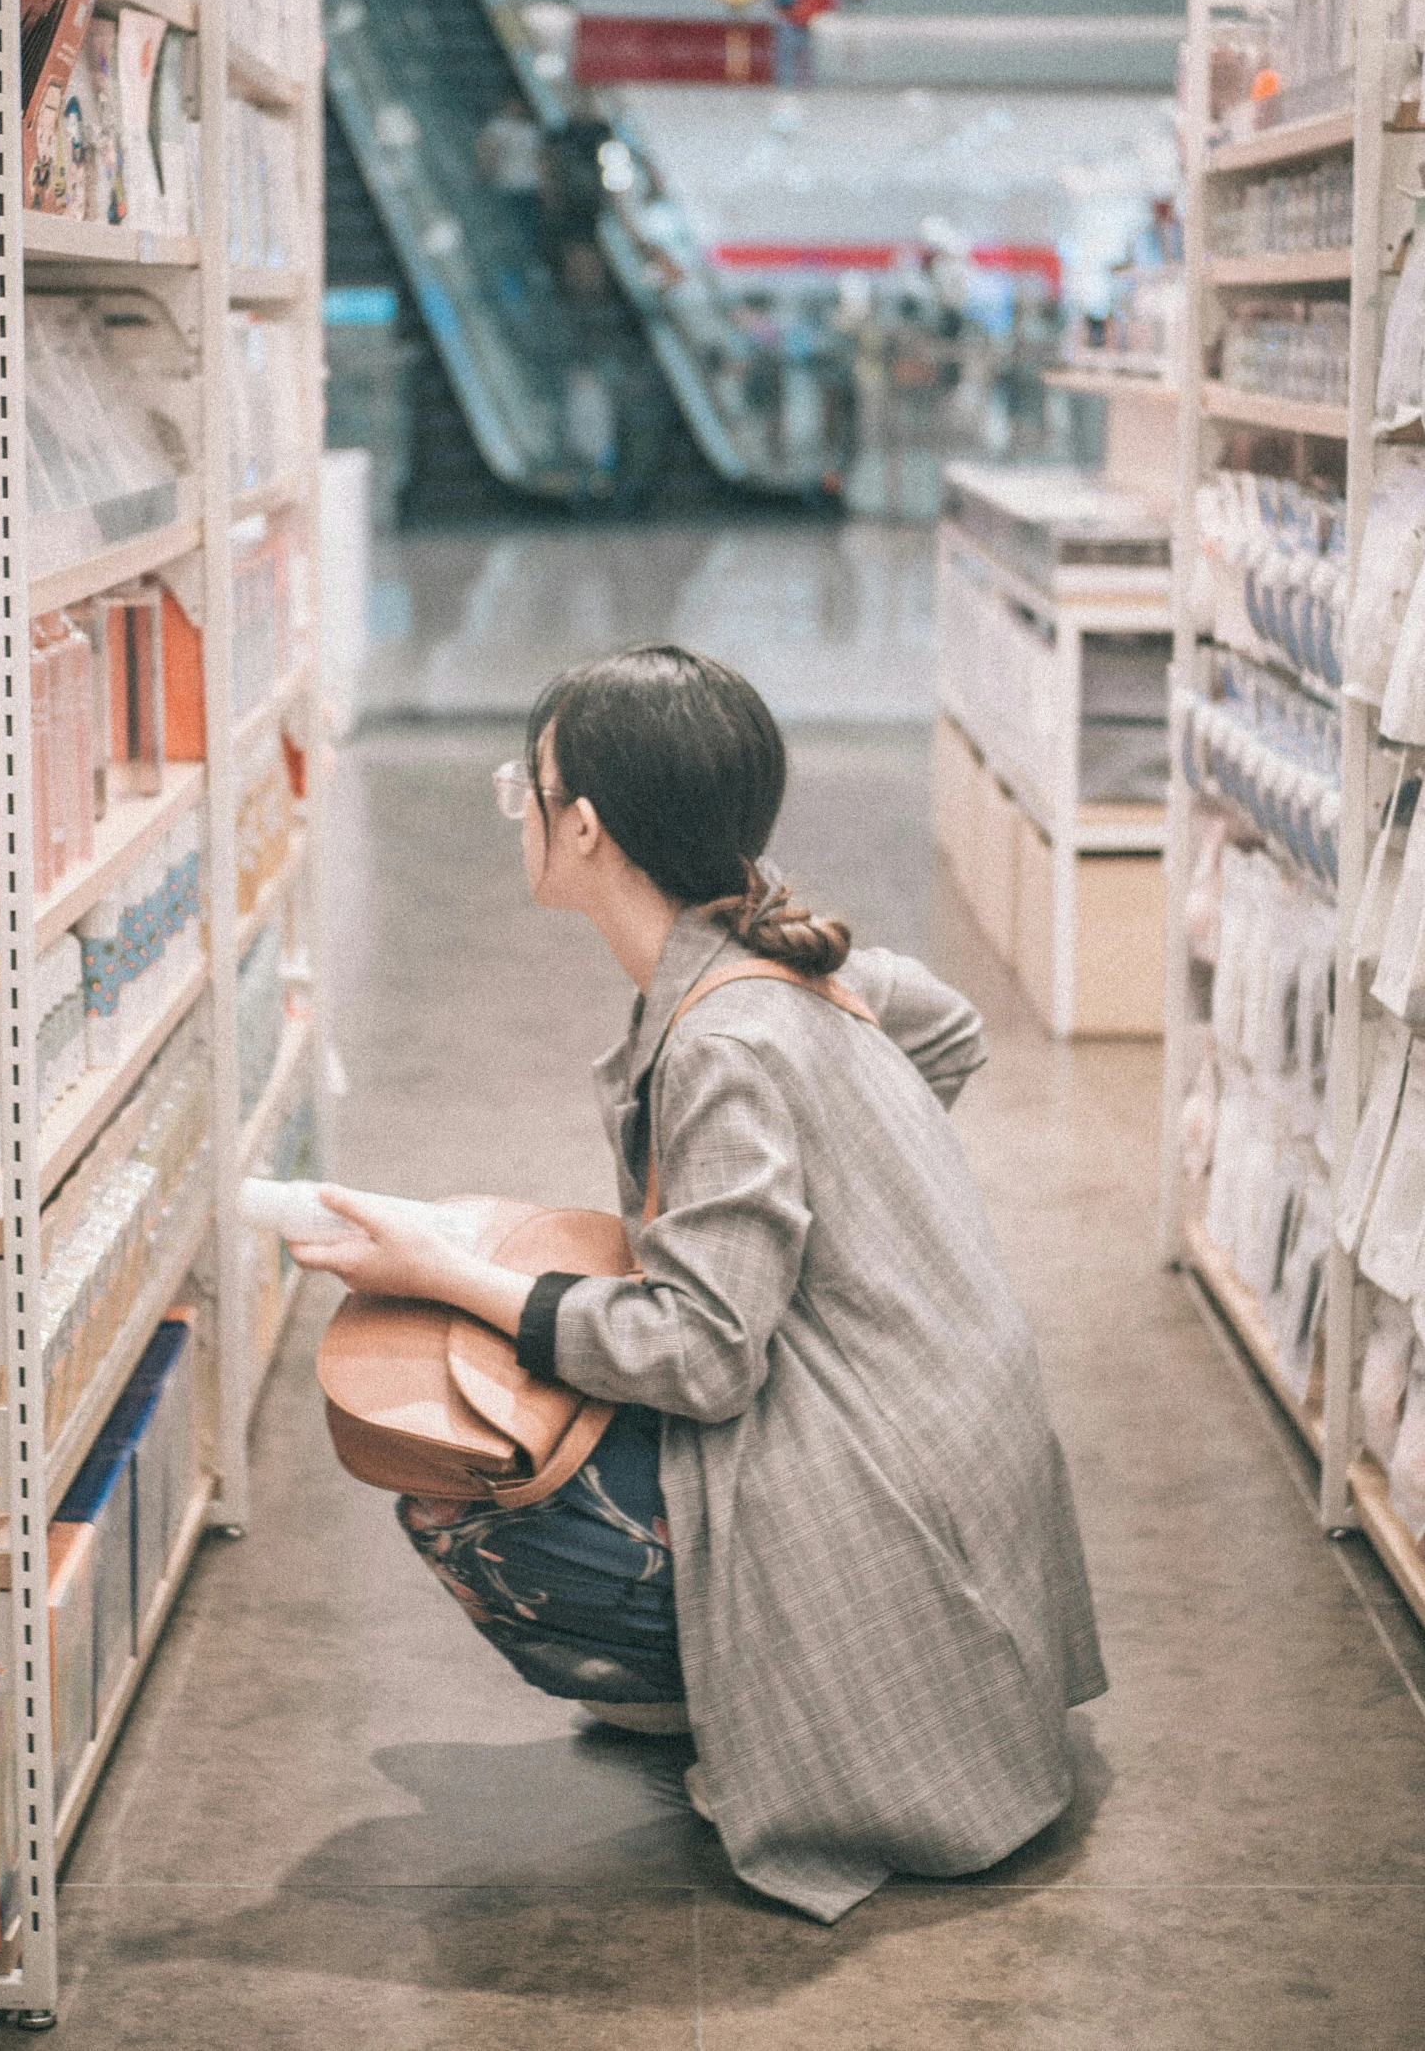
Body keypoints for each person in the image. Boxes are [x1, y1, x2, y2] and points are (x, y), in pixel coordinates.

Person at [291, 647, 1106, 1924]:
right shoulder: (785, 965)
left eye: (531, 785)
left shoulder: (723, 1034)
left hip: (874, 1506)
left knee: (457, 1483)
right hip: (948, 1472)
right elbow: (945, 1024)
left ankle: (742, 1699)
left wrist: (447, 1270)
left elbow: (702, 1354)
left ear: (588, 827)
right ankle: (723, 1678)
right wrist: (857, 1203)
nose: (521, 807)